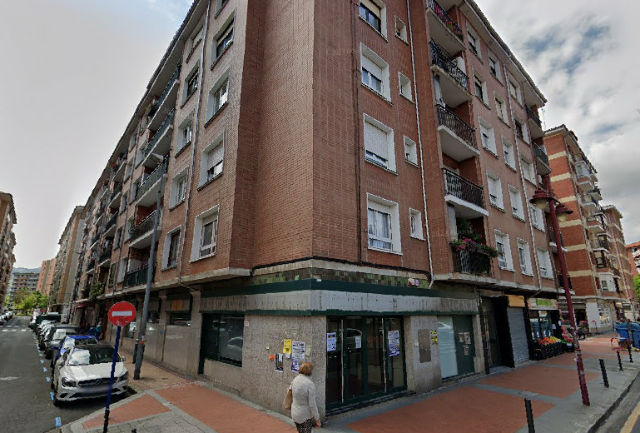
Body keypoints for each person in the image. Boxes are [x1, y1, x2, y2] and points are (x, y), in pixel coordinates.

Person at [290, 362, 321, 432]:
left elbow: (289, 391)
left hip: (294, 412)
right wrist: (317, 419)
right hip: (305, 415)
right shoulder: (310, 384)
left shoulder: (295, 379)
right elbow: (312, 405)